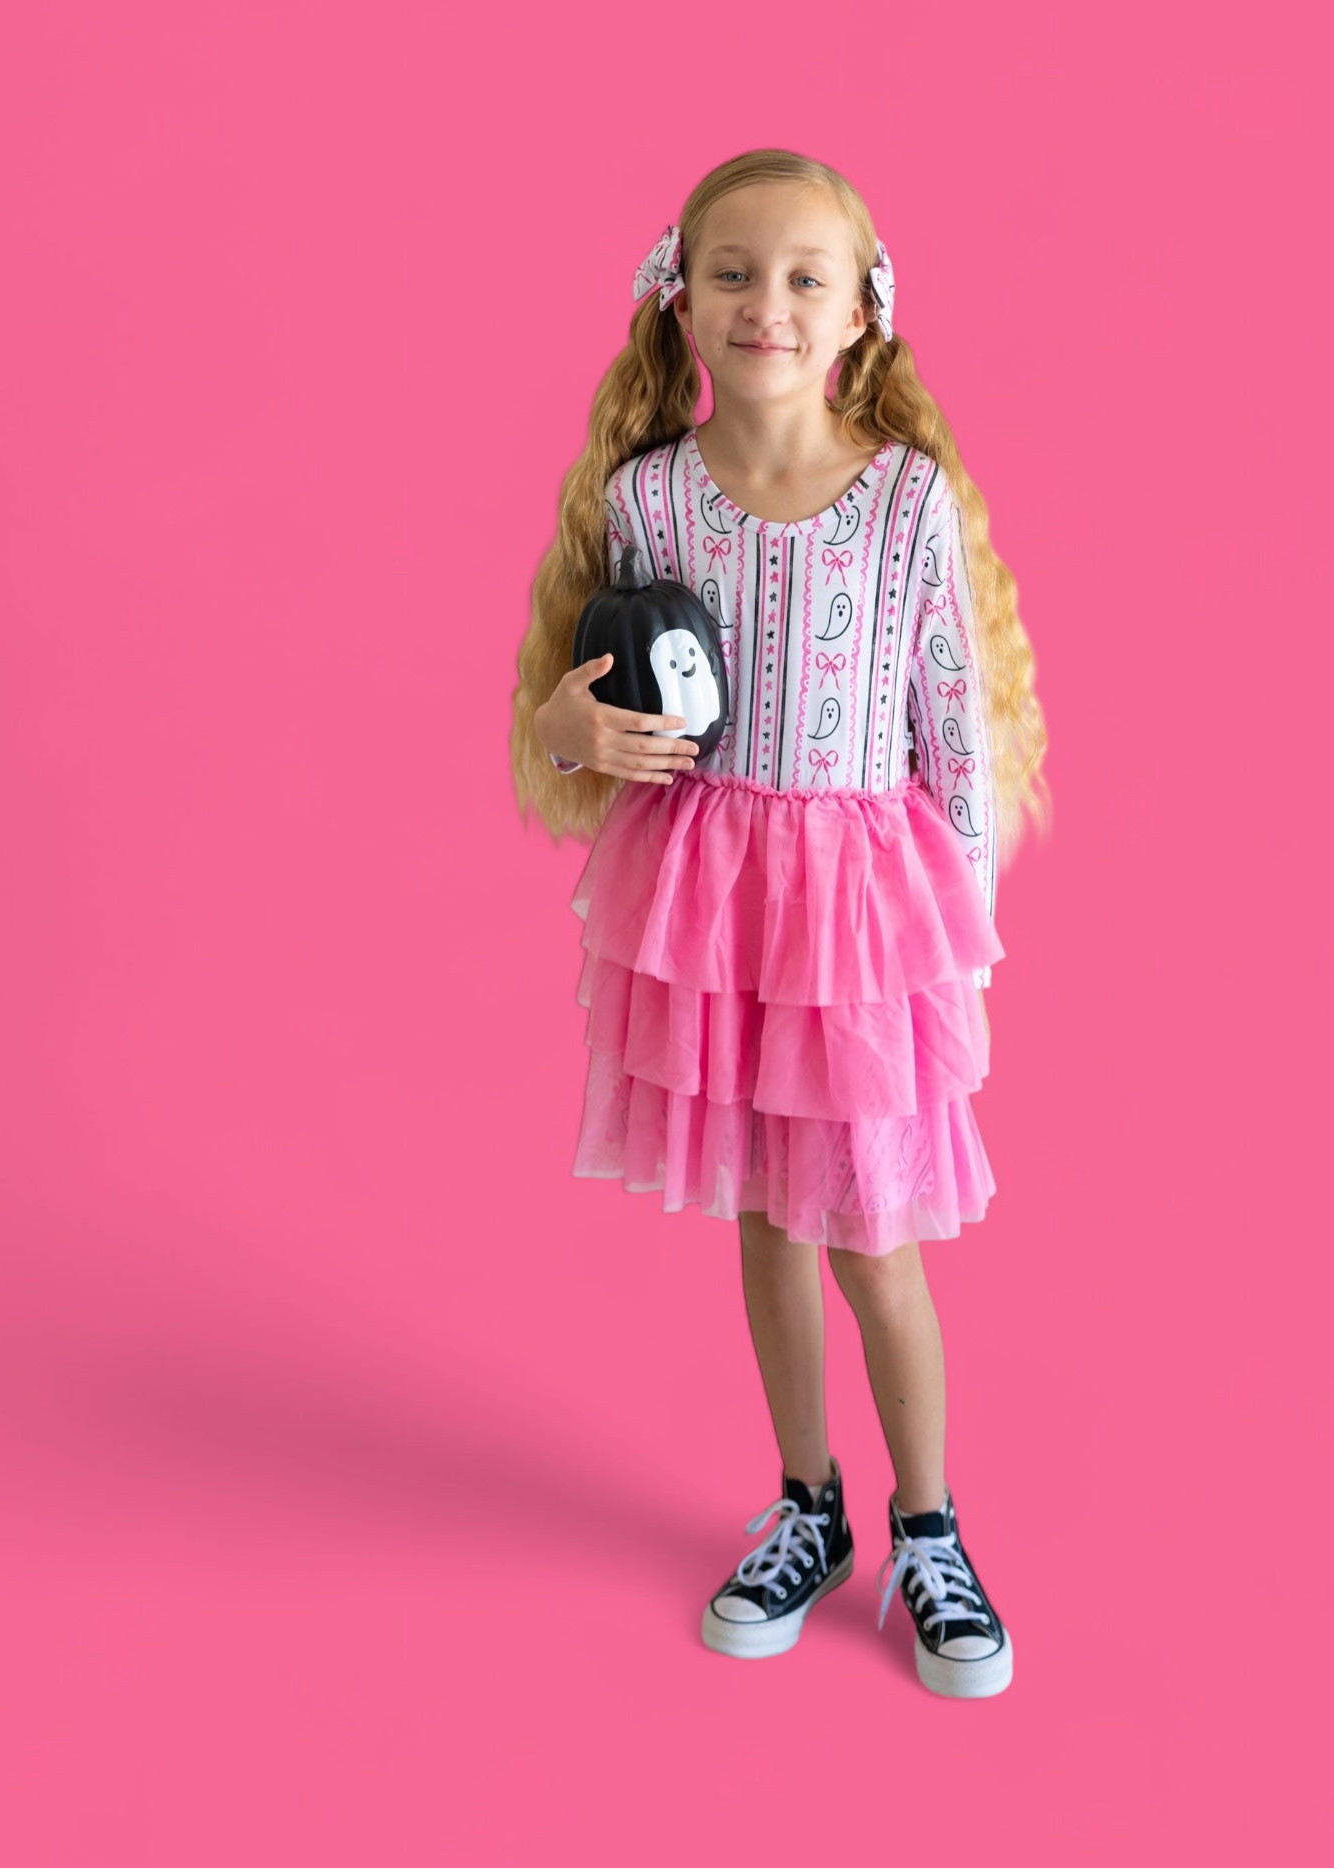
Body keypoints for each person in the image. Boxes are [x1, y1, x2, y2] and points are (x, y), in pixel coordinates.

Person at [510, 148, 1050, 1700]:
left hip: (862, 926)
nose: (769, 304)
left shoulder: (905, 503)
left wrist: (957, 949)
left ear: (860, 313)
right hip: (712, 905)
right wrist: (566, 729)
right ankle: (808, 1504)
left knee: (874, 1232)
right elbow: (579, 712)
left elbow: (955, 737)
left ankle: (929, 1526)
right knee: (767, 1215)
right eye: (734, 272)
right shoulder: (648, 499)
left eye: (807, 276)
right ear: (680, 299)